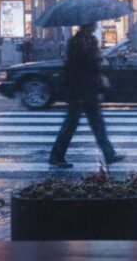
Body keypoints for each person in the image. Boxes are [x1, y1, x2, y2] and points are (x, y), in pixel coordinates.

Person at [49, 22, 124, 168]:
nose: (96, 26)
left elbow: (92, 63)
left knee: (96, 124)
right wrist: (96, 58)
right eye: (94, 24)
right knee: (72, 124)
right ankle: (56, 156)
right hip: (79, 89)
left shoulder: (90, 40)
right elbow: (78, 65)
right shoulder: (76, 42)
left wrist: (98, 65)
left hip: (89, 88)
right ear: (87, 25)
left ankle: (109, 154)